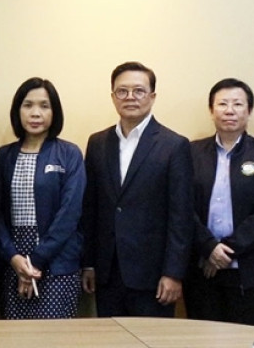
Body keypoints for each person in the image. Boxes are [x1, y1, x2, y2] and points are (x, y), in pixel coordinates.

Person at [81, 61, 192, 317]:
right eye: (122, 91)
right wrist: (89, 263)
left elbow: (181, 216)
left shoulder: (174, 145)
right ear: (113, 97)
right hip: (107, 272)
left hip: (153, 276)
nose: (130, 97)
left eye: (139, 91)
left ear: (152, 96)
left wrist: (173, 273)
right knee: (110, 336)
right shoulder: (97, 143)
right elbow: (91, 208)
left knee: (152, 337)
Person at [184, 78, 254, 327]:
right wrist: (208, 247)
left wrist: (224, 250)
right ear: (211, 110)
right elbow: (181, 206)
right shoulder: (190, 153)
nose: (230, 110)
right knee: (202, 338)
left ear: (249, 111)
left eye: (238, 104)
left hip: (250, 273)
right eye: (222, 104)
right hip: (201, 269)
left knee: (246, 338)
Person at [0, 77, 85, 319]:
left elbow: (70, 213)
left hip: (57, 261)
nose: (35, 113)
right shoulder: (3, 156)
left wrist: (36, 260)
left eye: (44, 106)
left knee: (54, 335)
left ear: (55, 112)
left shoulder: (69, 154)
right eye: (28, 105)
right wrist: (15, 259)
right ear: (17, 110)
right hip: (13, 261)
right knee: (15, 335)